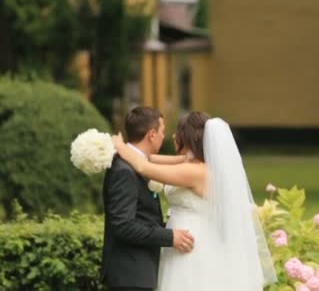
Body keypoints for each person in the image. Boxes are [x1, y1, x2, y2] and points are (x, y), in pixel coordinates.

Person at [111, 111, 277, 290]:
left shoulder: (194, 172)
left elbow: (144, 166)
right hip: (189, 239)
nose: (173, 136)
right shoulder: (198, 166)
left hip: (189, 245)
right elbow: (153, 158)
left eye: (178, 132)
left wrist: (121, 146)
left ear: (188, 138)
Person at [101, 107, 195, 291]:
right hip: (129, 275)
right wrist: (169, 237)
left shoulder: (134, 162)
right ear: (152, 134)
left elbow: (149, 162)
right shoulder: (124, 170)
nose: (163, 136)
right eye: (162, 131)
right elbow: (122, 225)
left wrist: (187, 158)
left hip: (138, 273)